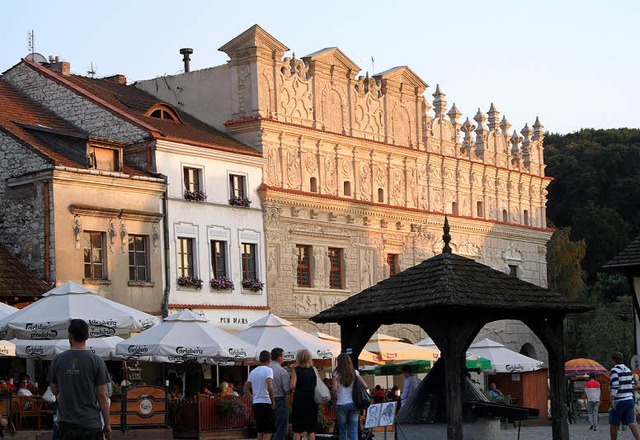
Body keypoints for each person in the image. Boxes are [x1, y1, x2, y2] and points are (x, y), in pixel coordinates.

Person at [47, 319, 111, 440]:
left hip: (66, 424)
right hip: (90, 424)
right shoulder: (97, 361)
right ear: (87, 336)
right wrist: (107, 424)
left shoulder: (57, 360)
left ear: (69, 335)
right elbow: (102, 395)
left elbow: (54, 390)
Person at [333, 353, 369, 440]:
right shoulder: (354, 372)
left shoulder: (336, 373)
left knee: (343, 430)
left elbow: (334, 389)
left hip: (341, 404)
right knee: (353, 430)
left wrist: (337, 396)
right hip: (353, 404)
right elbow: (365, 385)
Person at [609, 351, 640, 440]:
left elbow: (615, 385)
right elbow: (632, 384)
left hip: (619, 399)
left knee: (614, 424)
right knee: (632, 422)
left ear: (613, 360)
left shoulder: (614, 370)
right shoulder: (628, 370)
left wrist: (612, 400)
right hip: (629, 399)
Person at [245, 350, 275, 440]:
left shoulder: (253, 372)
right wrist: (273, 401)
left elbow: (245, 389)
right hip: (266, 402)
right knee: (268, 430)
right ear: (269, 360)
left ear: (259, 359)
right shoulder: (269, 370)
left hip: (257, 403)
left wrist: (252, 399)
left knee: (260, 429)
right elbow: (269, 386)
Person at [290, 349, 317, 440]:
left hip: (300, 400)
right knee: (311, 429)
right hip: (312, 399)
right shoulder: (313, 369)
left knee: (297, 429)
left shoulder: (296, 370)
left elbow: (292, 385)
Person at [269, 347, 291, 440]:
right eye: (283, 356)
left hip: (267, 400)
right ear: (279, 358)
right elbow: (287, 389)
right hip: (279, 400)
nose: (284, 358)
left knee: (270, 428)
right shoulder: (282, 371)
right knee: (281, 426)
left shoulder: (266, 368)